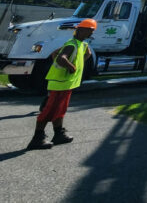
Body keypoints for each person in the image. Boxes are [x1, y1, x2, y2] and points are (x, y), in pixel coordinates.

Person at [26, 18, 96, 150]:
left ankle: (59, 134)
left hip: (66, 84)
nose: (92, 33)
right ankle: (37, 138)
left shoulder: (81, 44)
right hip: (59, 84)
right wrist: (71, 67)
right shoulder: (72, 44)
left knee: (60, 110)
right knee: (49, 111)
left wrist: (82, 58)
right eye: (90, 31)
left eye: (92, 31)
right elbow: (61, 58)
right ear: (81, 30)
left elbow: (56, 53)